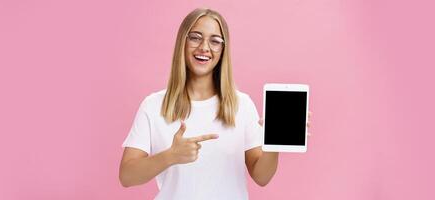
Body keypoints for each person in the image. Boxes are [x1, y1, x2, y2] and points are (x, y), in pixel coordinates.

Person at [119, 8, 311, 200]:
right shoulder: (153, 106)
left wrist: (273, 141)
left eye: (215, 41)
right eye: (195, 37)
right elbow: (127, 176)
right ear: (182, 42)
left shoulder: (241, 105)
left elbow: (261, 177)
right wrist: (171, 156)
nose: (204, 47)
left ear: (223, 50)